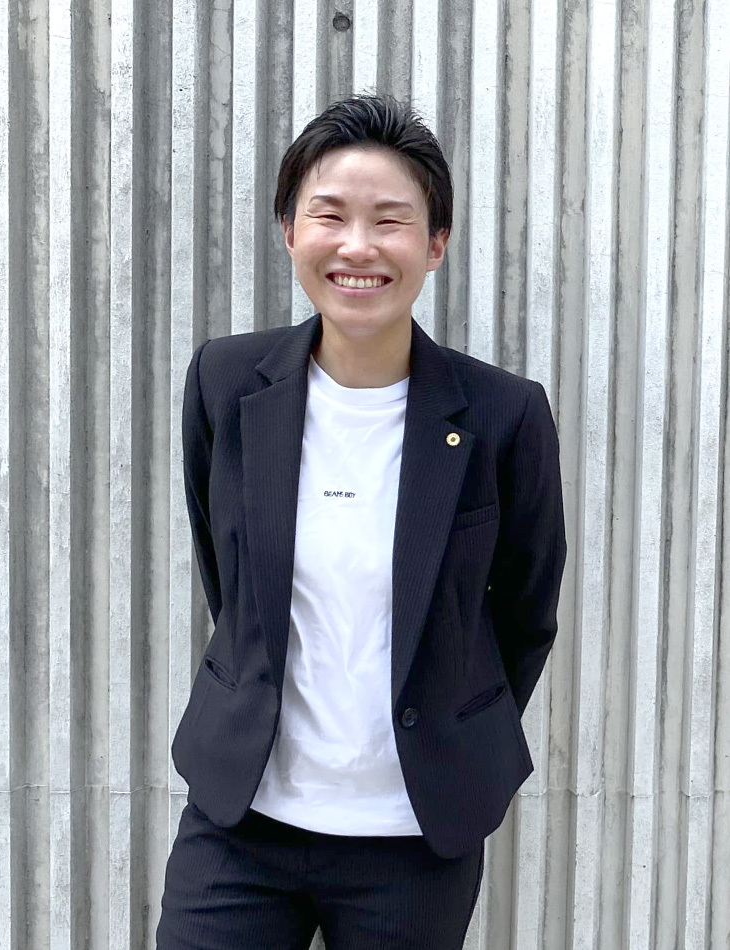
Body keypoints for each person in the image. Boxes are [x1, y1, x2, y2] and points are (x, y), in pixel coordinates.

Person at [156, 93, 567, 950]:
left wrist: (453, 720)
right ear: (289, 230)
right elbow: (229, 575)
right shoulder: (227, 382)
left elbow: (524, 612)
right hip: (243, 819)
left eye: (390, 220)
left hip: (413, 833)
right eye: (329, 215)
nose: (357, 246)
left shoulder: (503, 414)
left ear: (435, 243)